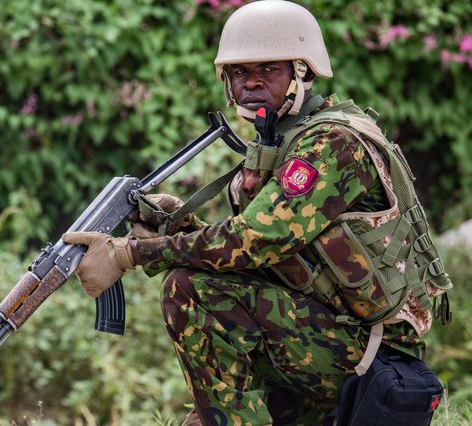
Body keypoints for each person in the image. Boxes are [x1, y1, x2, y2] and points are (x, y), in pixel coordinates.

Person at [63, 1, 451, 425]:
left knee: (190, 291)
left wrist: (129, 254)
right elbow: (276, 256)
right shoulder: (281, 140)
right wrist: (179, 226)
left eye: (268, 70)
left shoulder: (331, 143)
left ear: (300, 71)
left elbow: (255, 241)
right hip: (329, 332)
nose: (251, 84)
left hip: (373, 356)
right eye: (239, 73)